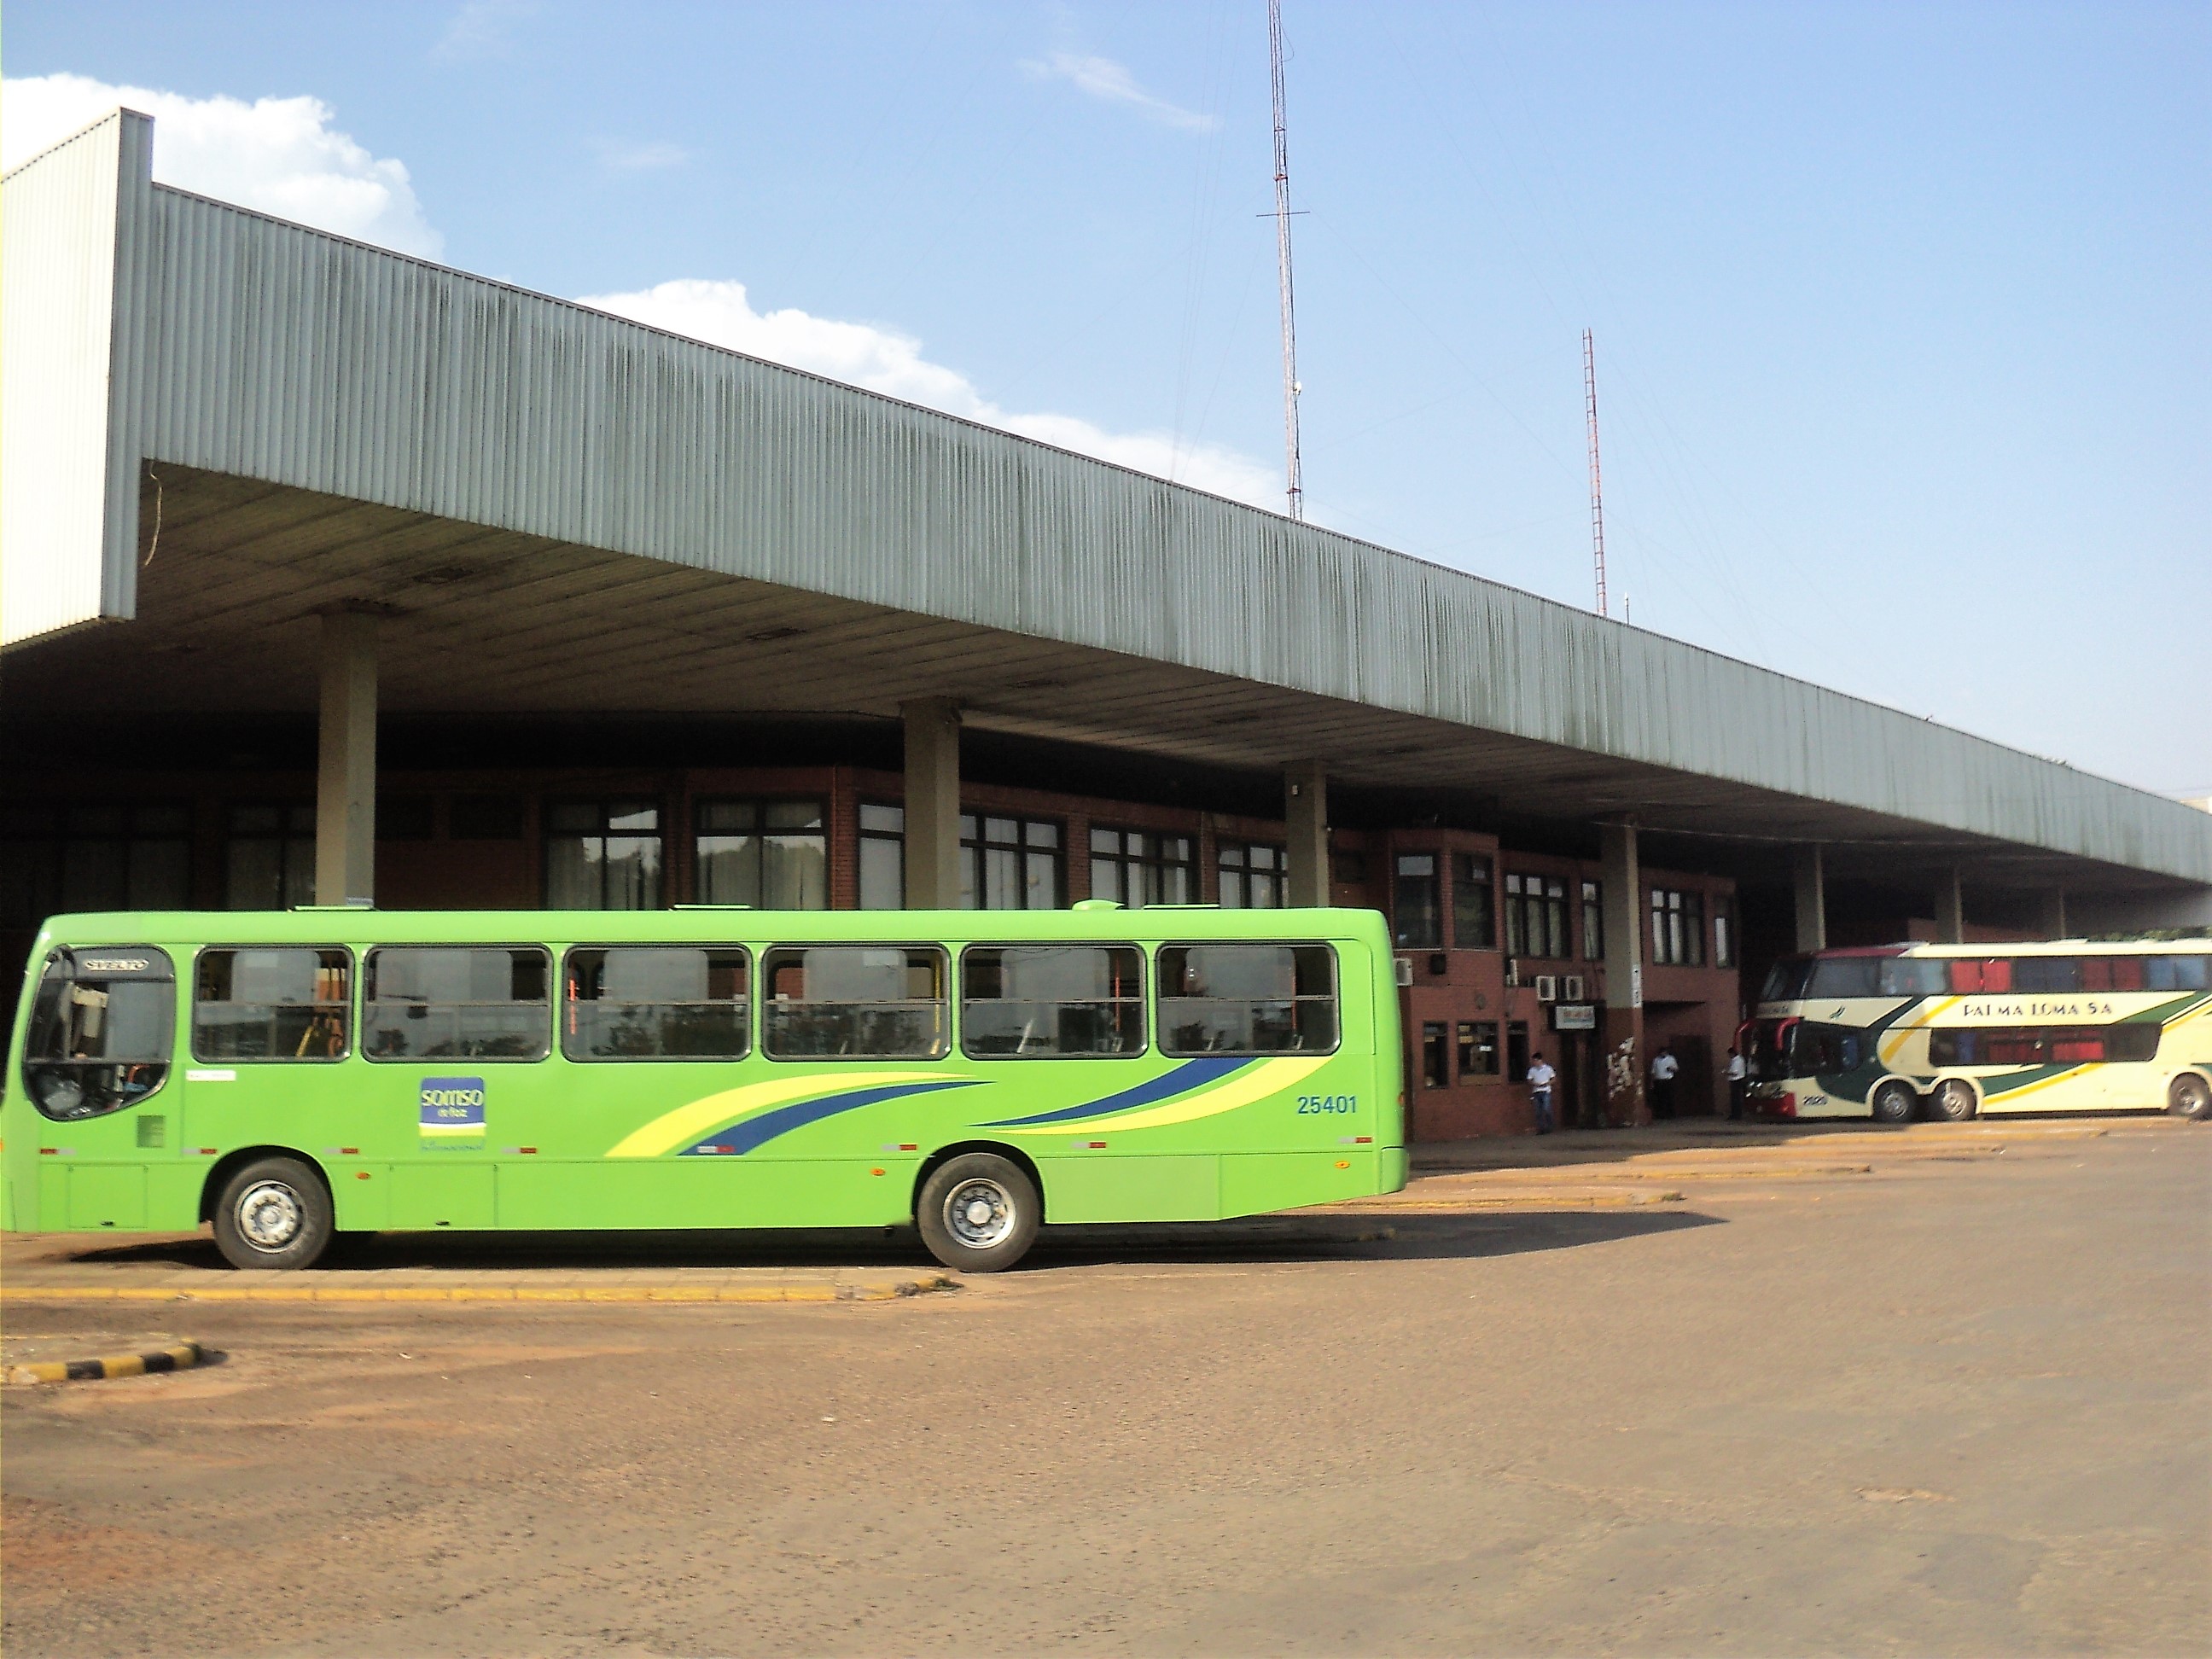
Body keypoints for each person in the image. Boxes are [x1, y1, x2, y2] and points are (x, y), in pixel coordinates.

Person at [1527, 1051, 1557, 1134]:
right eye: (1534, 1061)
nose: (1535, 1062)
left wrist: (1548, 1083)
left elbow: (1554, 1079)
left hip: (1545, 1090)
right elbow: (1529, 1080)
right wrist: (1534, 1083)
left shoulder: (1548, 1069)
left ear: (1540, 1060)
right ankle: (1541, 1129)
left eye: (1536, 1060)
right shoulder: (1532, 1070)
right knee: (1538, 1112)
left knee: (1547, 1109)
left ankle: (1549, 1127)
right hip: (1536, 1091)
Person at [1649, 1044, 1679, 1120]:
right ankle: (1661, 1115)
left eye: (1664, 1052)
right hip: (1659, 1080)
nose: (1663, 1053)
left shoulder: (1671, 1059)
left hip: (1668, 1080)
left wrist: (1671, 1069)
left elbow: (1676, 1069)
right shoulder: (1656, 1060)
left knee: (1669, 1097)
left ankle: (1671, 1114)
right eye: (1661, 1052)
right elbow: (1653, 1072)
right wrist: (1652, 1082)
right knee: (1660, 1098)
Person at [1726, 1045, 1748, 1121]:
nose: (1729, 1056)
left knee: (1735, 1099)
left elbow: (1735, 1073)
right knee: (1736, 1099)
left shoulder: (1737, 1061)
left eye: (1729, 1055)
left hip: (1736, 1081)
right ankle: (1736, 1114)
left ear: (1732, 1054)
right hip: (1738, 1080)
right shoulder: (1739, 1060)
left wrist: (1726, 1072)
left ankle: (1736, 1115)